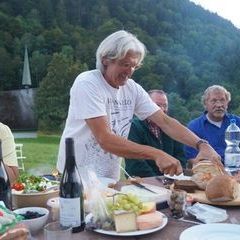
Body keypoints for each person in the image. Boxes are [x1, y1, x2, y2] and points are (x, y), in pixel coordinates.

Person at [57, 30, 220, 181]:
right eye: (125, 64)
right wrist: (156, 154)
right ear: (106, 59)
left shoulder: (132, 88)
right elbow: (105, 139)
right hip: (76, 175)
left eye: (134, 66)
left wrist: (201, 144)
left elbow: (165, 121)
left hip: (108, 179)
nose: (130, 71)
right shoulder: (88, 83)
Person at [125, 89, 186, 177]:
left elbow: (181, 157)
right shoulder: (133, 126)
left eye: (165, 106)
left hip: (170, 181)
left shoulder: (172, 127)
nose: (162, 109)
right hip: (141, 183)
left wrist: (175, 177)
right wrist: (158, 181)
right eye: (157, 105)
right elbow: (135, 163)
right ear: (146, 105)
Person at [184, 85, 240, 167]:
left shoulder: (237, 123)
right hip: (209, 173)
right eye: (214, 101)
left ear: (227, 103)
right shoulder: (194, 127)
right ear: (205, 104)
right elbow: (192, 160)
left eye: (222, 100)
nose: (219, 105)